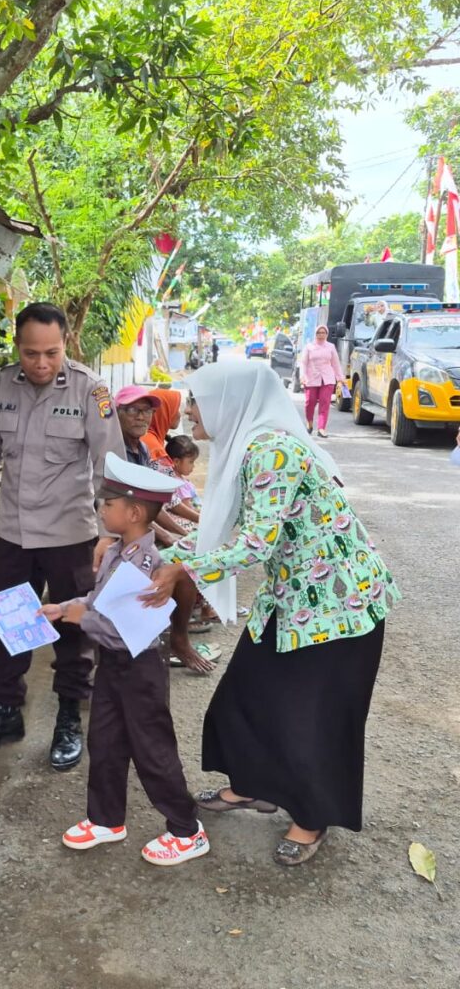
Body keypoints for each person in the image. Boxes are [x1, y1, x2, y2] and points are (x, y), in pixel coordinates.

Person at [143, 361, 399, 866]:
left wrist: (181, 569)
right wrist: (171, 557)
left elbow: (256, 544)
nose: (187, 413)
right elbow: (230, 530)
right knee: (248, 692)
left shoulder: (271, 450)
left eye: (194, 402)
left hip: (337, 607)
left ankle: (311, 816)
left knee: (315, 717)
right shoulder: (251, 445)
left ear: (226, 402)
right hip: (295, 598)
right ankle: (252, 784)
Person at [0, 302, 127, 769]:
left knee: (71, 627)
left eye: (51, 352)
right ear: (17, 346)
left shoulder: (93, 391)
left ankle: (69, 713)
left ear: (66, 342)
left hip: (71, 533)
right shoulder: (2, 385)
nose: (41, 364)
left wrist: (109, 533)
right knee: (10, 626)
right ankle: (6, 709)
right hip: (14, 529)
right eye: (31, 354)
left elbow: (108, 467)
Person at [40, 454, 211, 866]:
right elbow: (101, 603)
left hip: (141, 668)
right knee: (105, 742)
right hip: (114, 666)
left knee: (152, 749)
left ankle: (187, 830)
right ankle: (105, 819)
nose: (101, 510)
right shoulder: (118, 552)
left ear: (133, 513)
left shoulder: (151, 566)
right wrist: (65, 608)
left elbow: (127, 628)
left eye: (108, 504)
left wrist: (85, 620)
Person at [111, 386, 190, 549]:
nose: (141, 417)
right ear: (117, 413)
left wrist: (182, 535)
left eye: (147, 410)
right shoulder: (113, 451)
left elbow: (150, 501)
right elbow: (126, 509)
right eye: (133, 410)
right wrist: (168, 538)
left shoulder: (142, 448)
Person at [299, 324, 348, 438]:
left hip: (327, 379)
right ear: (315, 334)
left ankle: (321, 428)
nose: (321, 335)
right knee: (309, 402)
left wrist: (340, 378)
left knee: (325, 403)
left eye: (323, 333)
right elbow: (304, 363)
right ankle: (309, 422)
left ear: (327, 334)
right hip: (311, 378)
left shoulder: (330, 347)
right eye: (319, 333)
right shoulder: (309, 347)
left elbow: (335, 364)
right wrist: (302, 376)